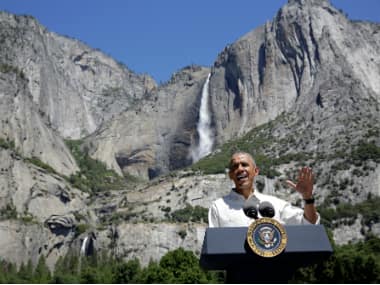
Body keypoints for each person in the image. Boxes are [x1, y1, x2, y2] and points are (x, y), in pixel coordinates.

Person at [208, 151, 319, 227]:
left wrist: (307, 198)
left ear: (256, 171)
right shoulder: (218, 207)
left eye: (244, 164)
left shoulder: (276, 204)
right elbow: (214, 245)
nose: (240, 169)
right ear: (231, 175)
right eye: (235, 166)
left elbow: (309, 223)